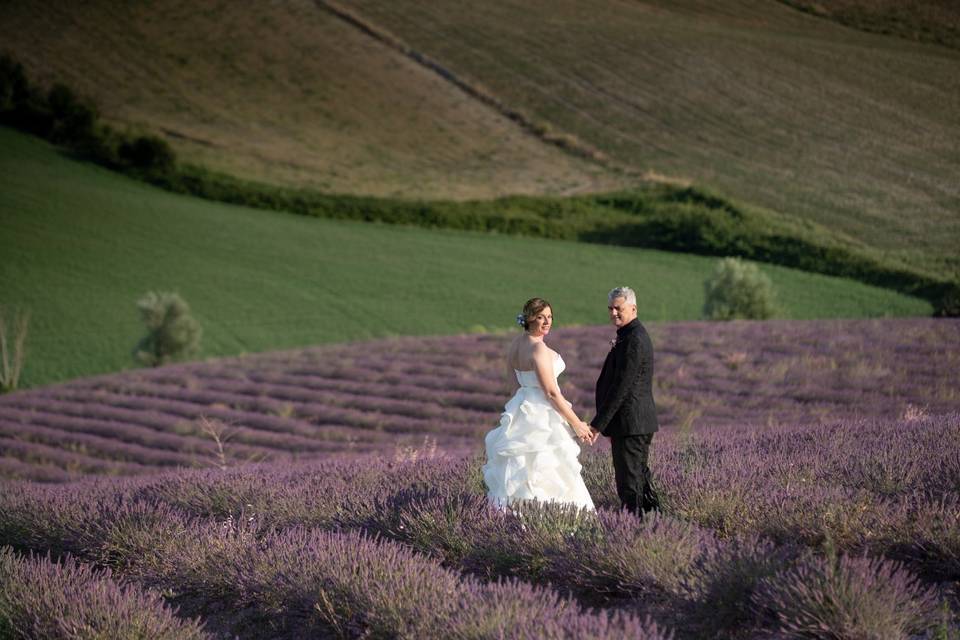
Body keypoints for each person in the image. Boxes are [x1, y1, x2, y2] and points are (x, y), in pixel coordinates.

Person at [482, 297, 595, 511]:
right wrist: (577, 424)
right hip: (544, 415)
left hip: (523, 409)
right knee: (549, 468)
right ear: (529, 319)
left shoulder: (516, 344)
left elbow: (513, 384)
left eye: (550, 317)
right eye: (540, 317)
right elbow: (551, 393)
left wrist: (521, 408)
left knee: (522, 469)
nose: (547, 322)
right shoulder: (539, 350)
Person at [589, 286, 661, 517]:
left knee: (629, 486)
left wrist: (597, 425)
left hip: (631, 425)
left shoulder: (634, 339)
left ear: (633, 308)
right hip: (632, 424)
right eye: (610, 309)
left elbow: (622, 387)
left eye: (618, 309)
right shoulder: (629, 335)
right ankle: (654, 525)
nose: (613, 313)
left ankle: (634, 534)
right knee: (638, 480)